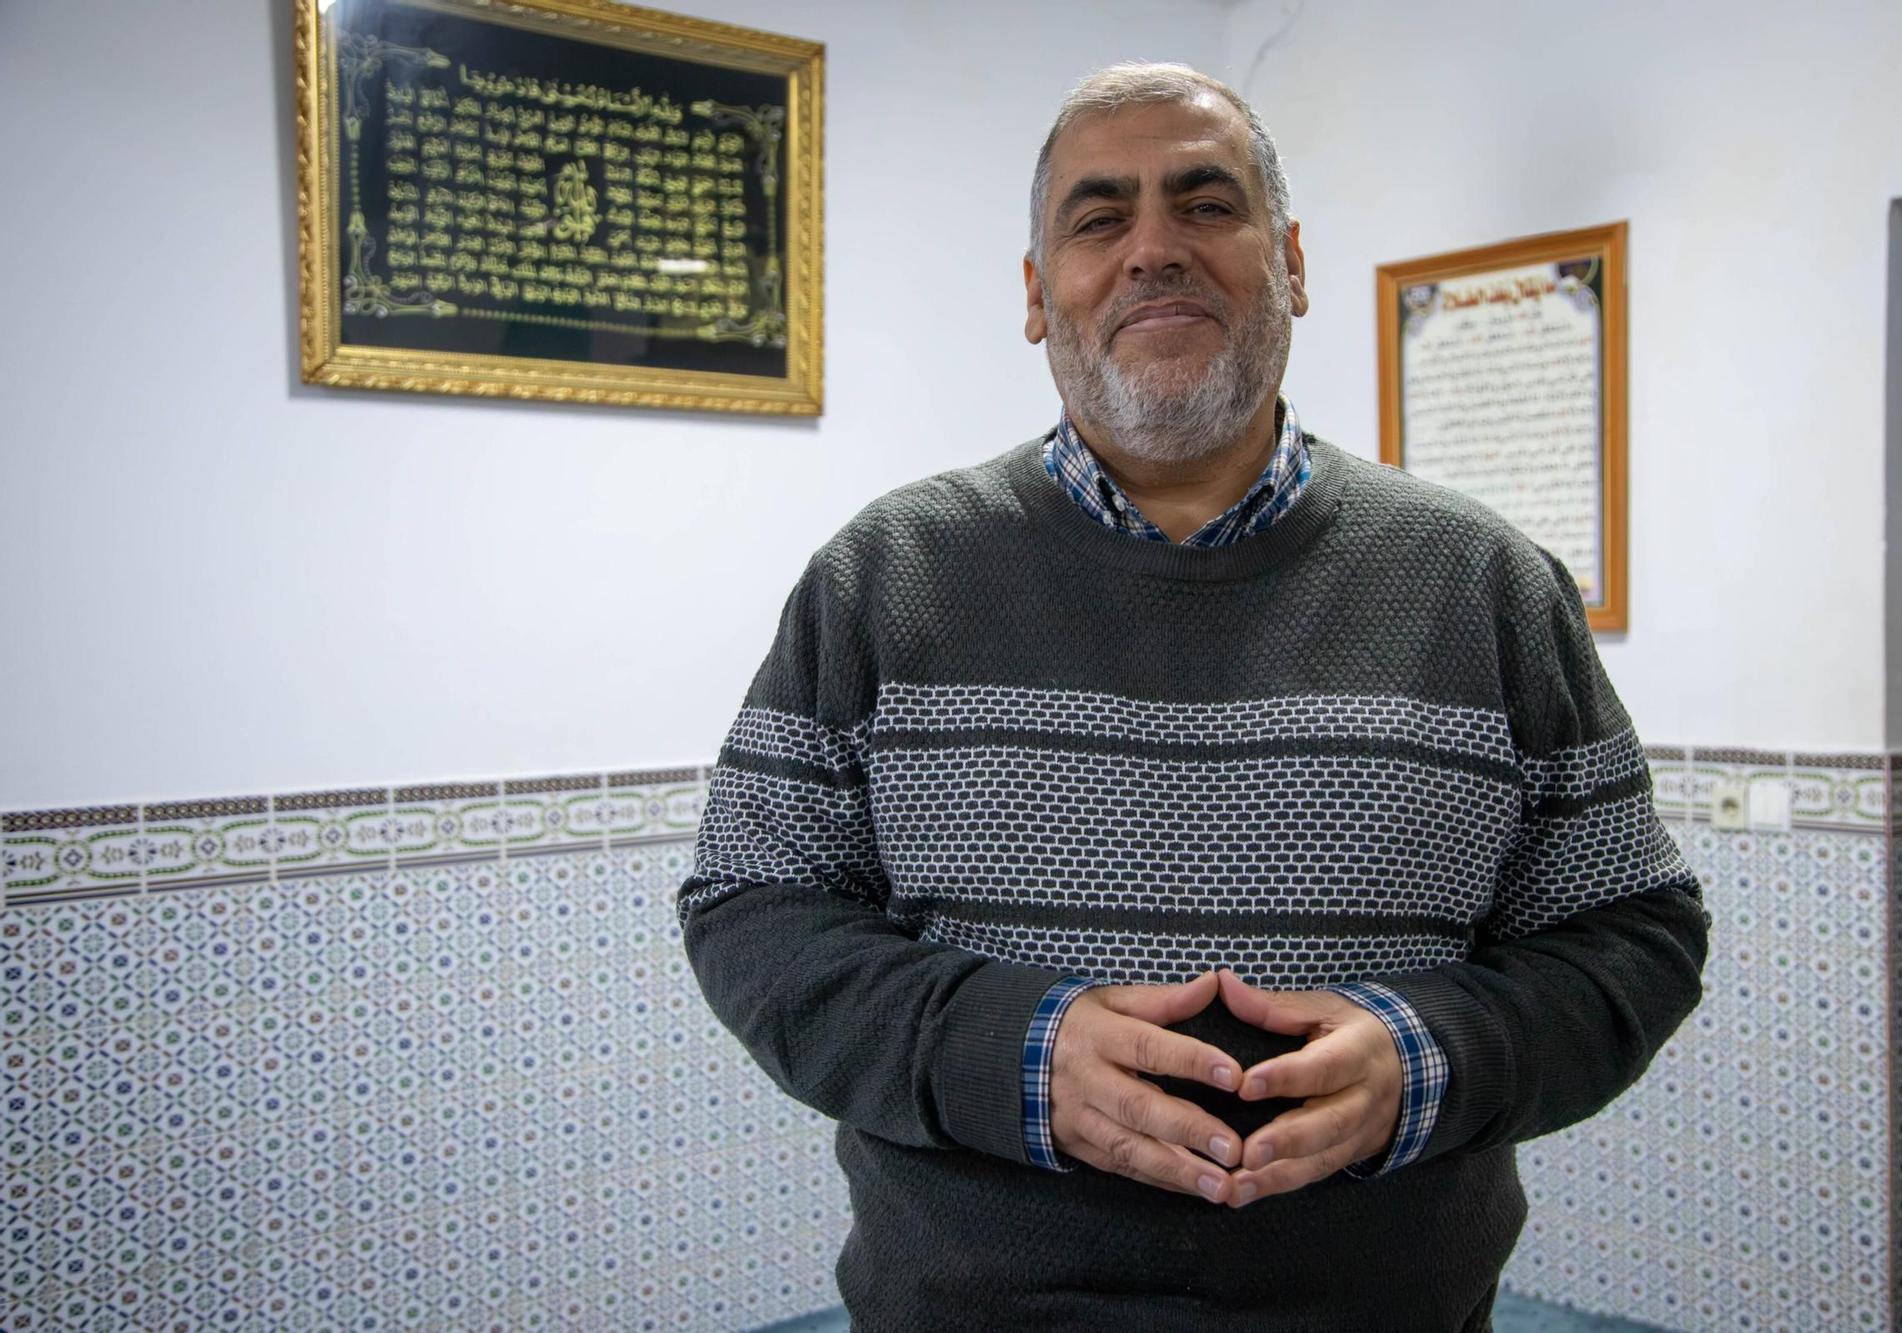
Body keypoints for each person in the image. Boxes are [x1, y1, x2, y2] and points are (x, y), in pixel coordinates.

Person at [678, 62, 1708, 1332]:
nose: (1151, 249)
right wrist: (1005, 1050)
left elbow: (1634, 935)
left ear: (1290, 264)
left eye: (1204, 205)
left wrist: (1430, 1057)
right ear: (1034, 292)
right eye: (1099, 217)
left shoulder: (1481, 583)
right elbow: (750, 906)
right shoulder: (886, 576)